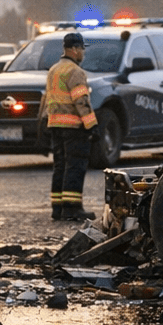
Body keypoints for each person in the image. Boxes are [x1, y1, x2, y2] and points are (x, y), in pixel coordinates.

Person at [44, 32, 98, 222]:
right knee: (75, 166)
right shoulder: (75, 71)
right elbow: (81, 100)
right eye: (82, 49)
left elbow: (47, 100)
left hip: (55, 125)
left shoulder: (53, 70)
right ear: (74, 50)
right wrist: (91, 125)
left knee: (60, 166)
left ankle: (58, 208)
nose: (83, 53)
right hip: (73, 127)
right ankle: (72, 209)